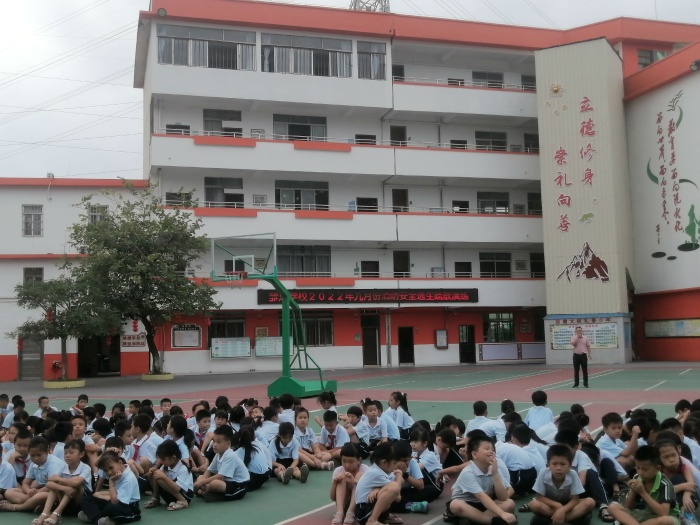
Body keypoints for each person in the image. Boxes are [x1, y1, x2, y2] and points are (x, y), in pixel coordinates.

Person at [445, 433, 516, 524]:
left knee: (509, 503)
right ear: (474, 455)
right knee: (455, 505)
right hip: (468, 504)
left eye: (492, 450)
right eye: (487, 449)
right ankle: (491, 521)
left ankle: (477, 520)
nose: (491, 452)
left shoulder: (494, 469)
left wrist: (495, 474)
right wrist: (502, 514)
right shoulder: (468, 472)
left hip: (484, 505)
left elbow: (502, 497)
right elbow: (481, 496)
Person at [607, 445, 680, 525]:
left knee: (664, 520)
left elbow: (663, 513)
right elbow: (628, 507)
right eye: (638, 468)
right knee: (612, 507)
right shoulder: (637, 477)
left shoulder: (665, 484)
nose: (641, 472)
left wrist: (643, 493)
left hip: (668, 517)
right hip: (647, 515)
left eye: (645, 469)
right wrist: (634, 491)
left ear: (658, 468)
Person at [529, 444, 596, 525]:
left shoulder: (573, 474)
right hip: (551, 506)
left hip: (568, 506)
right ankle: (566, 520)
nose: (558, 468)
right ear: (548, 465)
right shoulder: (543, 473)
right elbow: (539, 497)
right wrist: (557, 505)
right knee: (533, 504)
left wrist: (562, 510)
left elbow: (575, 499)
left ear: (570, 465)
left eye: (563, 464)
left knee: (590, 502)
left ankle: (555, 520)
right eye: (554, 464)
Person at [1, 436, 65, 513]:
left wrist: (34, 493)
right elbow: (25, 482)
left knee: (39, 496)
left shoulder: (53, 464)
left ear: (47, 451)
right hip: (34, 492)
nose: (36, 458)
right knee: (9, 492)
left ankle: (17, 507)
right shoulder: (34, 463)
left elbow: (52, 486)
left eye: (39, 455)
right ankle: (32, 505)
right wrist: (29, 491)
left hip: (55, 494)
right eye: (32, 455)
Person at [37, 439, 92, 525]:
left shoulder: (86, 468)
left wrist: (59, 479)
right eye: (65, 453)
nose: (67, 455)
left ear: (81, 454)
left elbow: (76, 483)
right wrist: (63, 488)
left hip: (80, 502)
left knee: (73, 484)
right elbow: (49, 483)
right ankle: (45, 513)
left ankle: (56, 514)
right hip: (65, 500)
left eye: (71, 452)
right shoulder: (63, 467)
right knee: (57, 485)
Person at [78, 451, 141, 524]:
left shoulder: (128, 479)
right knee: (86, 499)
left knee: (111, 508)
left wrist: (111, 481)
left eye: (111, 468)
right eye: (105, 470)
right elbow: (97, 464)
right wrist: (106, 452)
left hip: (130, 508)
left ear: (120, 462)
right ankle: (99, 519)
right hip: (115, 500)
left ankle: (93, 516)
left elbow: (115, 501)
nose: (109, 472)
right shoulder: (119, 470)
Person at [194, 426, 248, 502]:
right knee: (200, 477)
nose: (214, 445)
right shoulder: (218, 454)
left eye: (218, 442)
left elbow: (220, 477)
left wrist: (201, 483)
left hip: (239, 485)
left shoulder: (230, 455)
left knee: (215, 483)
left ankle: (204, 492)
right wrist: (201, 480)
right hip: (226, 483)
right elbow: (209, 471)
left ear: (228, 444)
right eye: (214, 441)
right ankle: (207, 492)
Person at [354, 443, 403, 525]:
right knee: (394, 486)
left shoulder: (383, 471)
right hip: (363, 511)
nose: (395, 467)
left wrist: (378, 489)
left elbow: (400, 482)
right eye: (394, 463)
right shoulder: (376, 473)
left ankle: (384, 517)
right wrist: (399, 474)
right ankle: (372, 520)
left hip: (368, 507)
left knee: (394, 484)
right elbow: (398, 497)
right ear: (384, 462)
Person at [145, 439, 193, 511]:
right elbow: (155, 482)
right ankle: (156, 499)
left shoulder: (183, 468)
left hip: (185, 496)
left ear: (173, 458)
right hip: (171, 495)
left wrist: (163, 476)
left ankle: (182, 501)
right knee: (156, 474)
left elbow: (177, 488)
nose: (161, 462)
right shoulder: (166, 466)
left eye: (163, 459)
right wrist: (150, 476)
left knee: (160, 477)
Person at [331, 443, 368, 525]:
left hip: (361, 505)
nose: (347, 465)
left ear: (359, 460)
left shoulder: (365, 470)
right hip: (345, 505)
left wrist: (354, 481)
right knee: (341, 478)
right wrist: (335, 482)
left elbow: (368, 491)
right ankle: (339, 512)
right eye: (344, 461)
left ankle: (350, 512)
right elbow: (333, 498)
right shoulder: (339, 470)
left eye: (351, 462)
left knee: (359, 476)